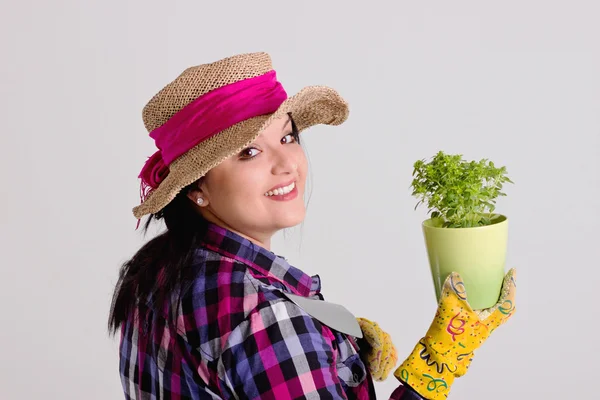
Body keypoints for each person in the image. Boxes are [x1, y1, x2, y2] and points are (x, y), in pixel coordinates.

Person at [108, 52, 517, 400]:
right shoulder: (264, 316)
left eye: (287, 137)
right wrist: (438, 360)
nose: (288, 164)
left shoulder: (157, 276)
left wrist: (334, 343)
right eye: (249, 152)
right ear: (197, 188)